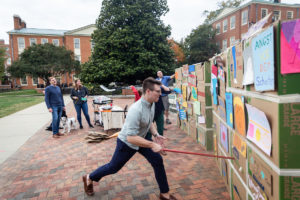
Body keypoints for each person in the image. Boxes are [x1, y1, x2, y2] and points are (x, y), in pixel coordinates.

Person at [82, 77, 177, 200]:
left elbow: (149, 122)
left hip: (142, 140)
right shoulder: (136, 109)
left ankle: (164, 194)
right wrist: (153, 145)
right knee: (113, 167)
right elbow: (131, 138)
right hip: (127, 143)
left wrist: (156, 135)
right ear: (148, 91)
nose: (160, 93)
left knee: (157, 160)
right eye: (158, 91)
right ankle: (89, 177)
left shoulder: (152, 103)